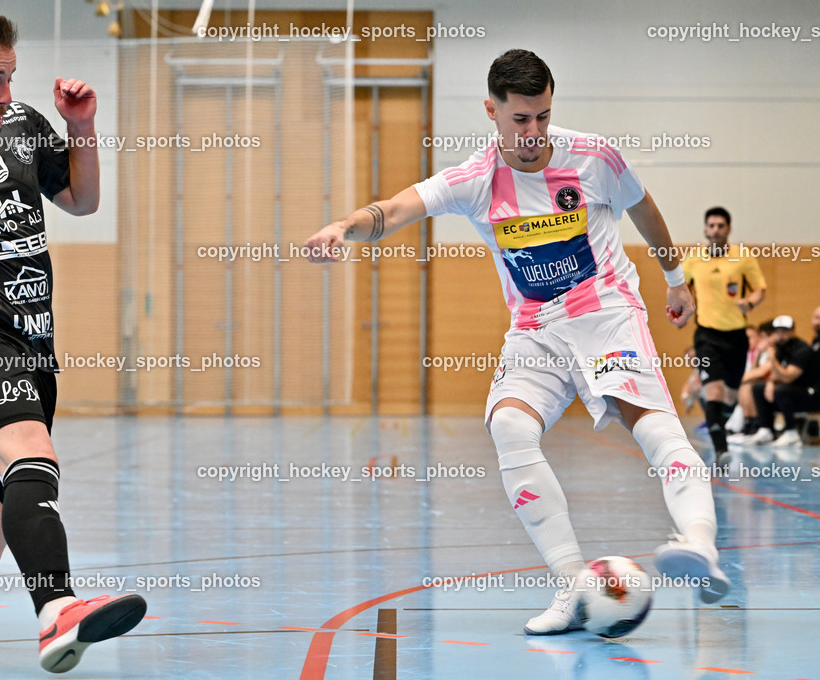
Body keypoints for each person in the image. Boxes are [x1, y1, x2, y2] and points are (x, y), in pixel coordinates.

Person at [304, 49, 730, 635]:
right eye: (520, 120)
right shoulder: (475, 180)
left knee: (655, 426)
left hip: (606, 313)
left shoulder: (594, 157)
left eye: (543, 118)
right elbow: (396, 208)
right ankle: (573, 584)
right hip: (536, 329)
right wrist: (344, 228)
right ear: (491, 111)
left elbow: (643, 209)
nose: (533, 134)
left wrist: (677, 279)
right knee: (508, 425)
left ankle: (701, 546)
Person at [0, 10, 145, 673]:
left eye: (10, 77)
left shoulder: (23, 126)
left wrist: (82, 128)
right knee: (33, 452)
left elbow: (81, 201)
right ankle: (57, 609)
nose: (5, 93)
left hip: (31, 349)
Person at [682, 207, 767, 464]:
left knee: (730, 395)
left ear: (728, 229)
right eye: (711, 226)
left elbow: (760, 289)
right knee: (714, 391)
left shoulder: (742, 258)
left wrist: (750, 303)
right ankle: (721, 449)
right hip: (707, 336)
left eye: (720, 225)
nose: (715, 230)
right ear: (705, 229)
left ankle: (722, 429)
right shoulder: (694, 260)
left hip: (736, 337)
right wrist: (680, 311)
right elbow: (680, 288)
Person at [746, 316, 820, 447]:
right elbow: (776, 374)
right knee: (759, 387)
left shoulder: (802, 350)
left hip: (817, 396)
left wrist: (772, 358)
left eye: (785, 331)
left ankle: (791, 433)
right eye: (778, 331)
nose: (781, 335)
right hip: (796, 392)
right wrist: (770, 383)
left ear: (792, 331)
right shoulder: (780, 349)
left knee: (782, 390)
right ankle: (766, 429)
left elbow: (787, 377)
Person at [727, 321, 774, 444]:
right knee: (745, 385)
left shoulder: (772, 349)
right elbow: (753, 370)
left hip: (771, 385)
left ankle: (756, 424)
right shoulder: (755, 352)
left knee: (747, 385)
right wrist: (758, 354)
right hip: (761, 384)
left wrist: (738, 379)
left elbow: (762, 371)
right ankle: (749, 424)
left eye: (749, 338)